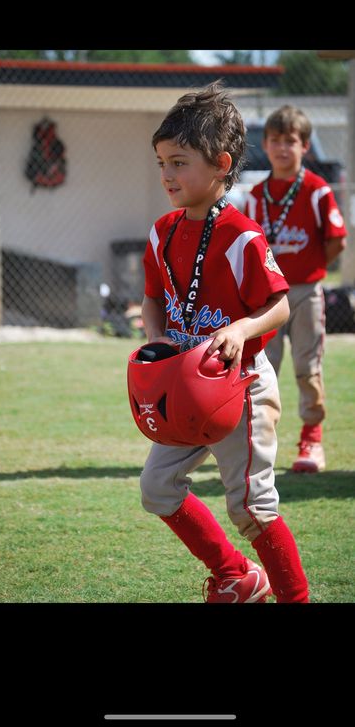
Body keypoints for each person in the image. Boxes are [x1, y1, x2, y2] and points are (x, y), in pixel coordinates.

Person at [139, 82, 310, 603]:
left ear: (220, 164)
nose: (167, 174)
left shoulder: (241, 235)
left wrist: (238, 328)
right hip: (186, 389)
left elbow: (280, 305)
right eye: (162, 162)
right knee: (157, 488)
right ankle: (236, 574)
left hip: (242, 390)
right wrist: (157, 340)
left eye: (180, 162)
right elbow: (152, 298)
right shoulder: (162, 232)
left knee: (252, 508)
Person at [245, 105, 347, 473]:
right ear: (265, 145)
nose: (282, 148)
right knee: (260, 369)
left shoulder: (317, 191)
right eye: (274, 140)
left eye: (290, 141)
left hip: (305, 291)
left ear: (305, 146)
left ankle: (311, 440)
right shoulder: (256, 195)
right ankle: (258, 442)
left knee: (307, 367)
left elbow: (337, 240)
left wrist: (312, 266)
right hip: (267, 299)